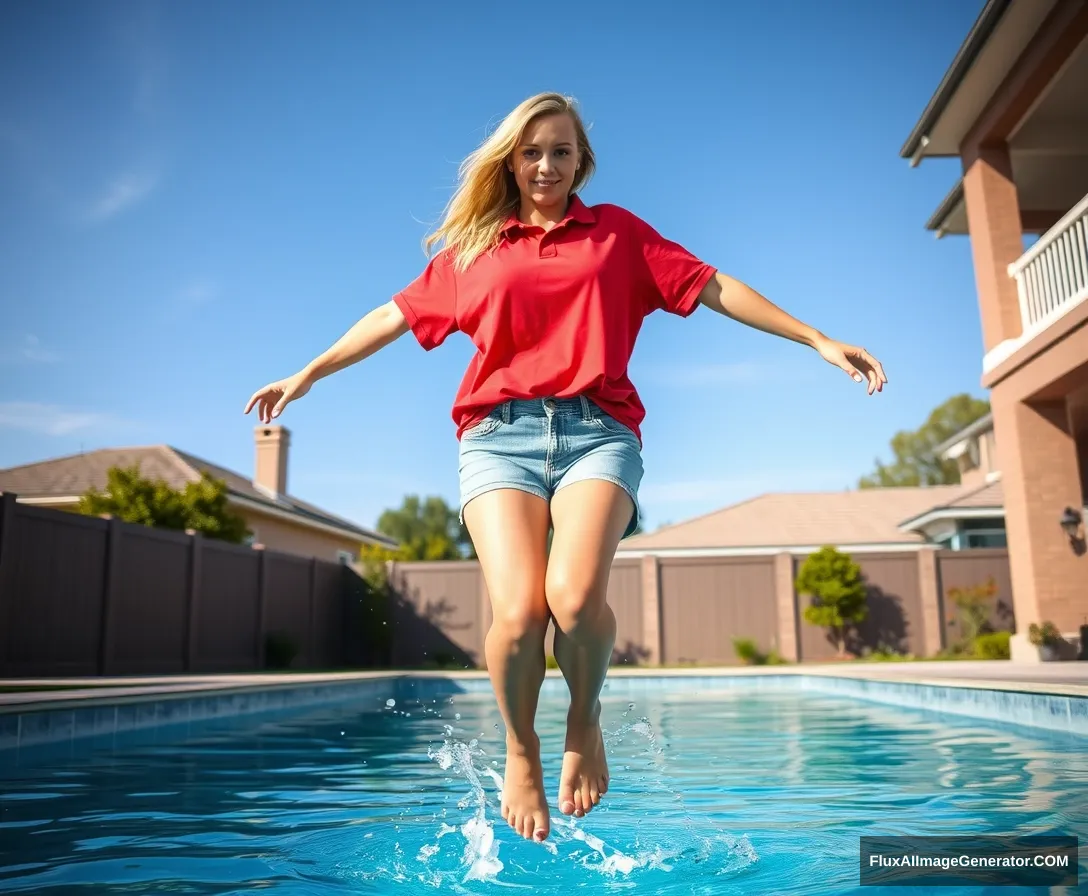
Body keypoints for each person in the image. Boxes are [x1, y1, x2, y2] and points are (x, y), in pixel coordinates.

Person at [244, 92, 886, 844]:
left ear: (582, 161)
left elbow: (712, 287)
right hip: (496, 436)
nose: (546, 165)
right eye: (531, 151)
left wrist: (816, 338)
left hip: (598, 433)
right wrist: (309, 371)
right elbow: (391, 315)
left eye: (561, 151)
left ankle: (584, 718)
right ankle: (521, 748)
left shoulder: (617, 236)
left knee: (574, 601)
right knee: (518, 614)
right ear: (510, 162)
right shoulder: (475, 249)